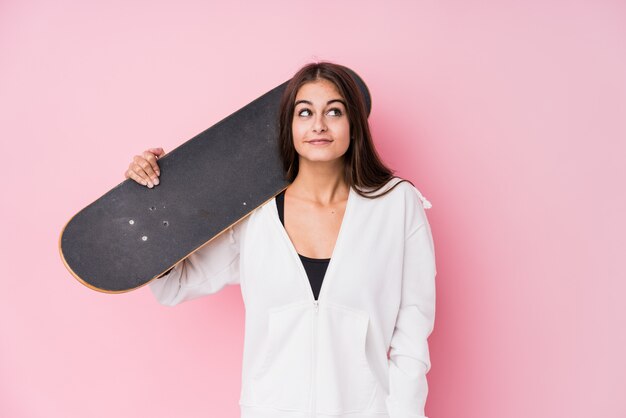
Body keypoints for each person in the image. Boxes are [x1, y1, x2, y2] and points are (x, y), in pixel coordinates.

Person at [125, 62, 436, 418]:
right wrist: (157, 199)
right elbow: (175, 286)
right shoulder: (256, 215)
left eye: (334, 111)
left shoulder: (397, 205)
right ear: (288, 126)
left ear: (354, 124)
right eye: (305, 112)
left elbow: (413, 328)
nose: (318, 124)